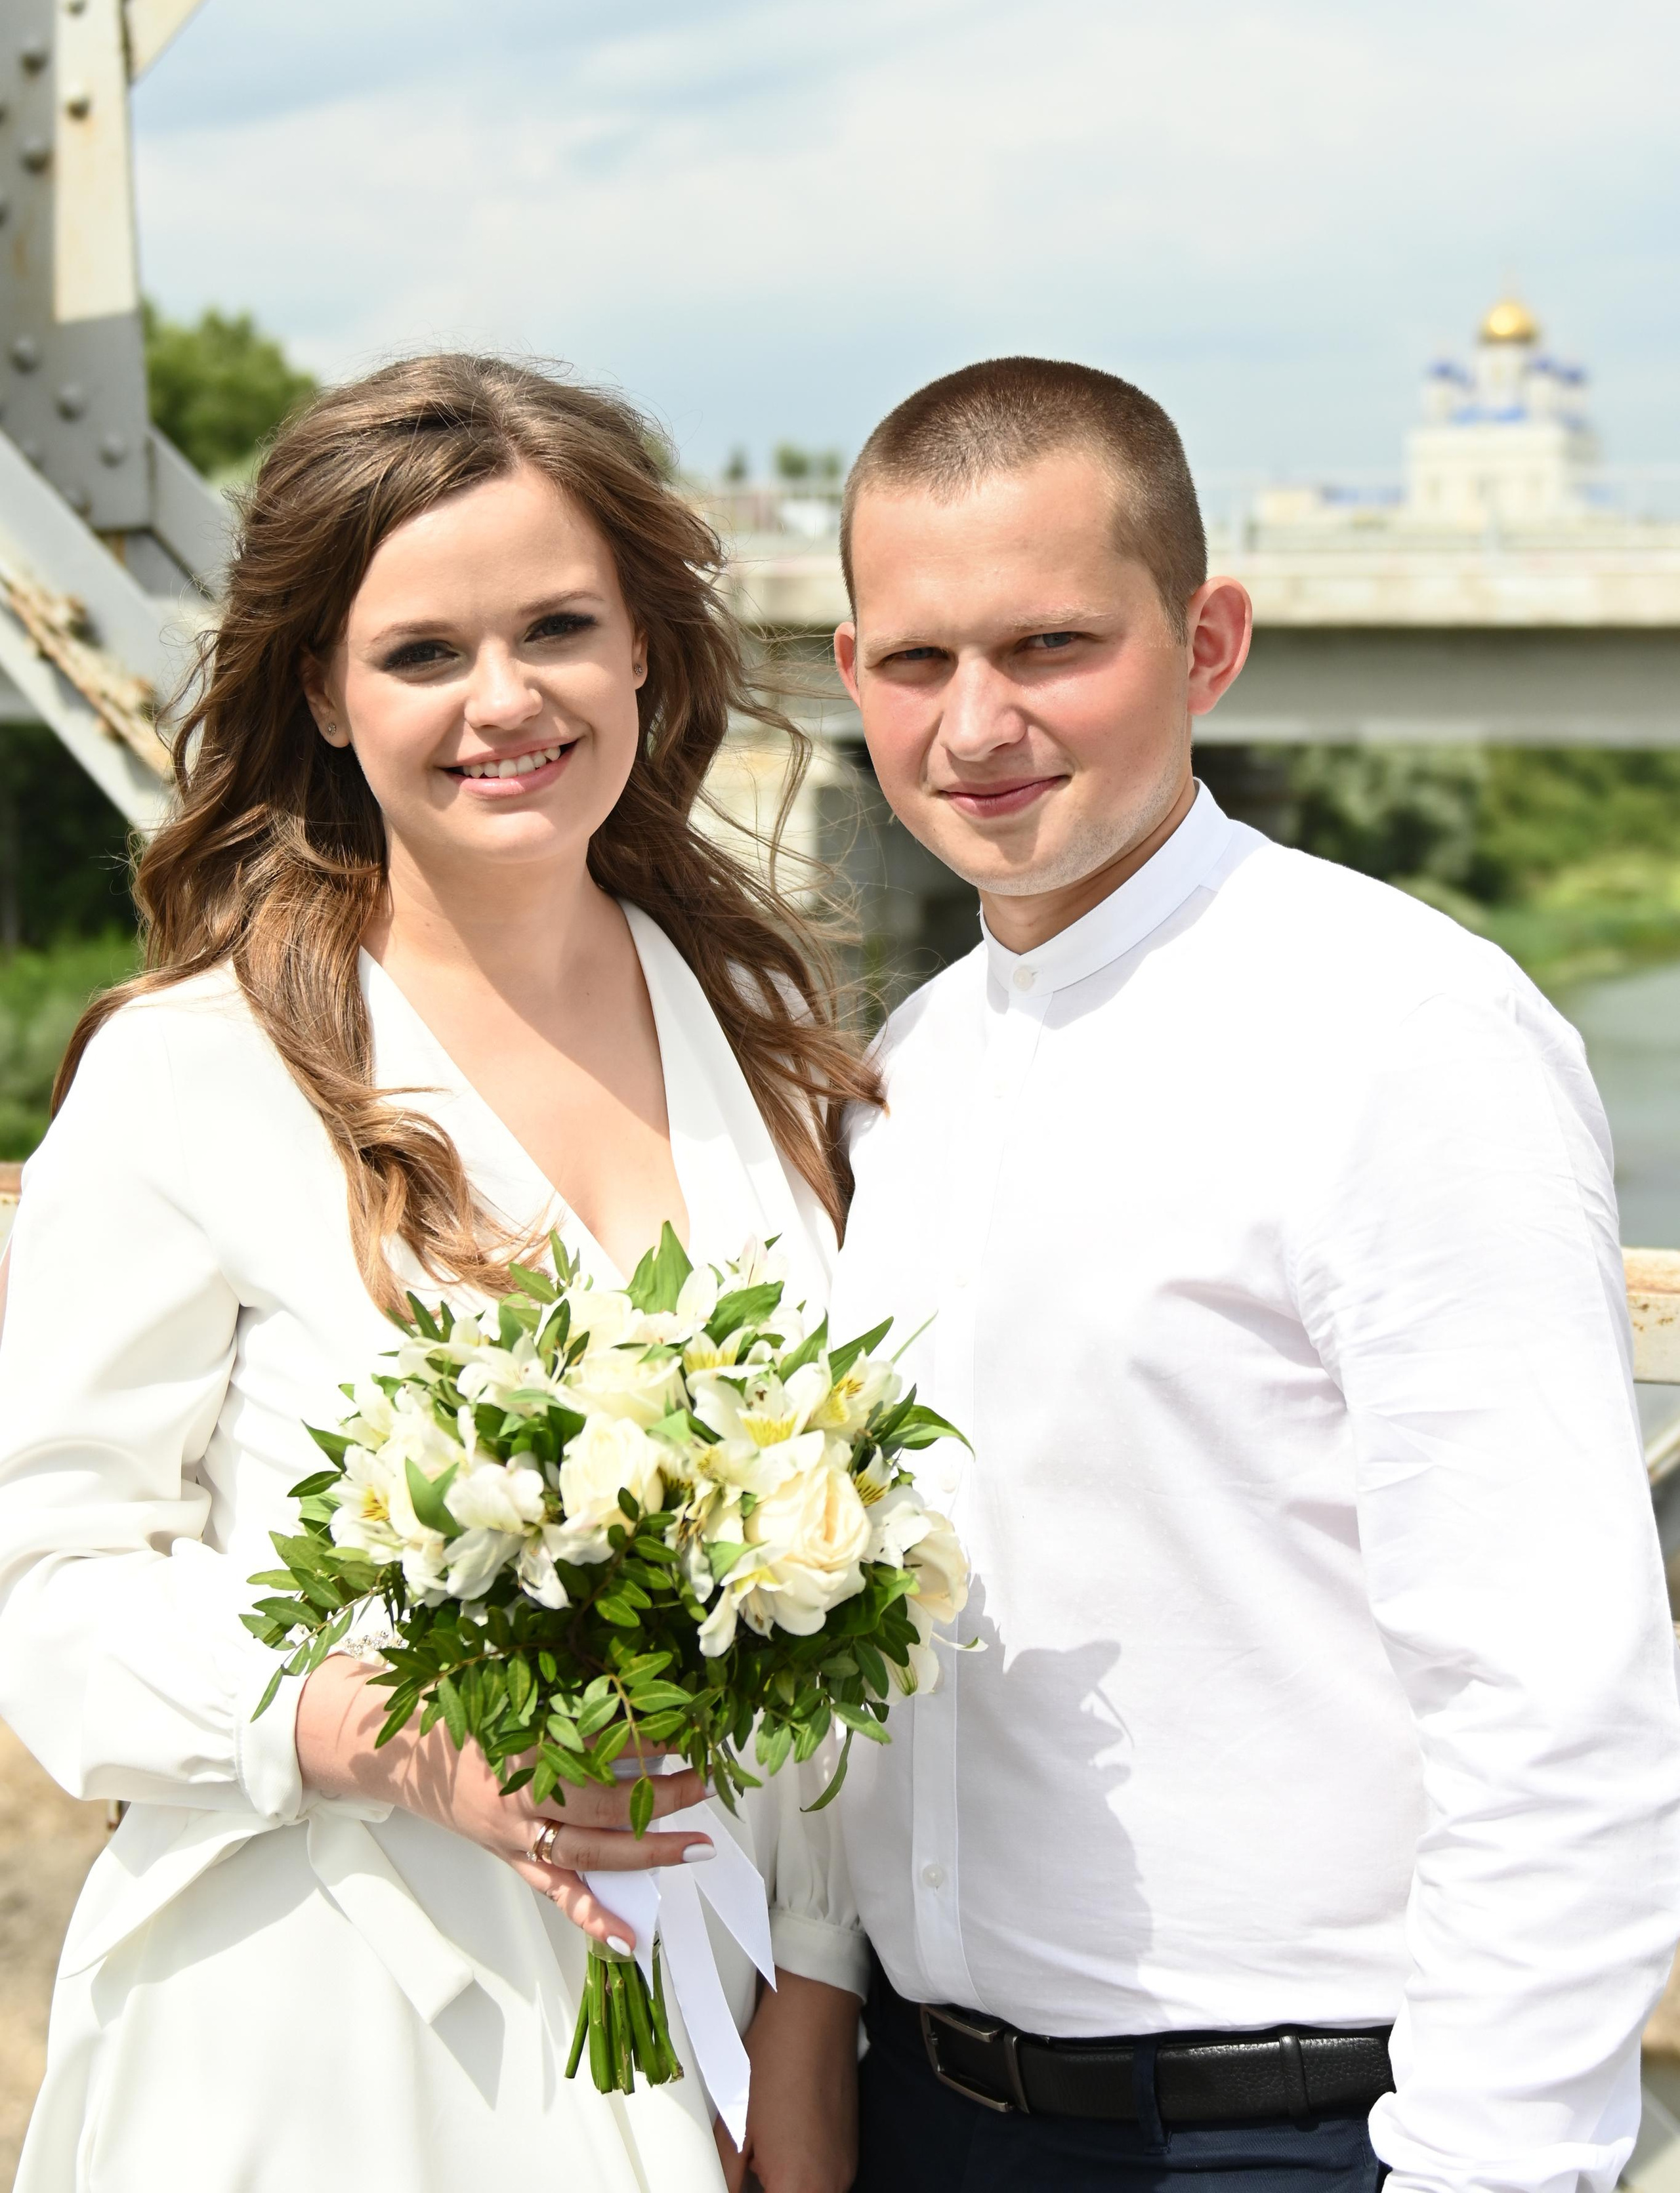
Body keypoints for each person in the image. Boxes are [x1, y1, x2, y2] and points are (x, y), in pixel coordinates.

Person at [743, 354, 1680, 2193]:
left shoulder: (1404, 1038)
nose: (979, 721)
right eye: (920, 662)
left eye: (1052, 646)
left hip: (1303, 2136)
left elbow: (1553, 1684)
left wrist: (1494, 2167)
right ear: (853, 678)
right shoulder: (907, 1072)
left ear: (1210, 641)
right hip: (932, 2116)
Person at [0, 357, 868, 2193]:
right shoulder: (194, 1067)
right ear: (321, 688)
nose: (505, 701)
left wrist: (808, 2000)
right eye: (422, 654)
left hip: (706, 2020)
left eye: (559, 626)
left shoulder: (764, 1031)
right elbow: (49, 1588)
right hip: (328, 2032)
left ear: (647, 649)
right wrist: (385, 1738)